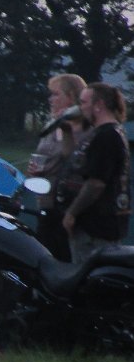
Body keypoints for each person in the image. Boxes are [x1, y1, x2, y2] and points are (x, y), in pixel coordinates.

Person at [62, 83, 131, 263]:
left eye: (84, 102)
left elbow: (96, 183)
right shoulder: (99, 133)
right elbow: (75, 162)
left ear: (98, 105)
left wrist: (72, 213)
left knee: (86, 275)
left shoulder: (107, 136)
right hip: (91, 226)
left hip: (95, 228)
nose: (81, 108)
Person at [28, 73, 87, 261]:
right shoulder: (51, 125)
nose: (50, 99)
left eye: (55, 94)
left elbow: (75, 161)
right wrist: (35, 169)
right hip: (45, 203)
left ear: (71, 96)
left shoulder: (84, 129)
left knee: (65, 259)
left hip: (67, 206)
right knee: (43, 257)